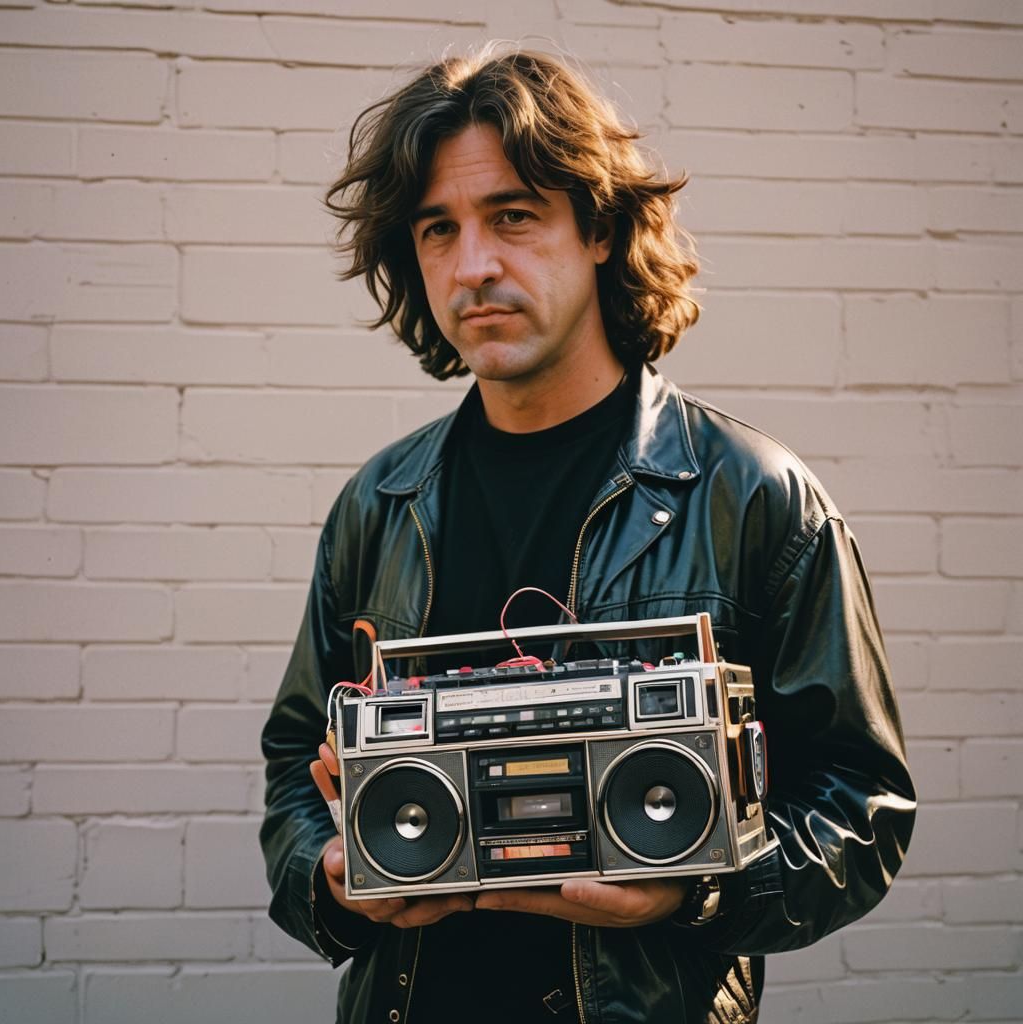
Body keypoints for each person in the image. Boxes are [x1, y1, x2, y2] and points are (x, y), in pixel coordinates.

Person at [260, 47, 915, 1023]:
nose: (474, 265)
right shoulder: (381, 503)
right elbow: (291, 765)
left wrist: (702, 887)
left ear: (599, 226)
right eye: (438, 229)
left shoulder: (755, 499)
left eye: (513, 216)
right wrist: (330, 876)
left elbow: (861, 804)